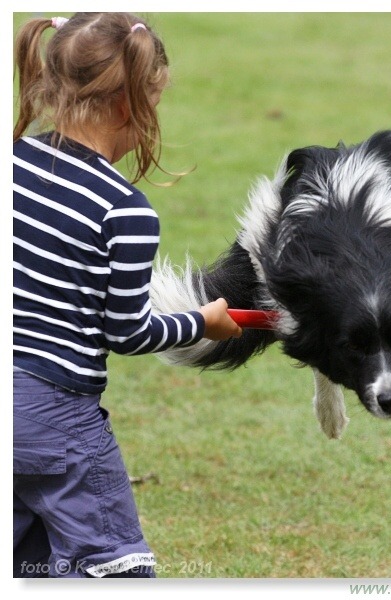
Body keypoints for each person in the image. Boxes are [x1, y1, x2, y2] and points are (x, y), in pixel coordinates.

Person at [13, 12, 242, 578]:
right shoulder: (124, 210)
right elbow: (128, 331)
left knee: (27, 566)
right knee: (116, 572)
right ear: (128, 106)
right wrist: (203, 322)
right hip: (56, 417)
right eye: (154, 103)